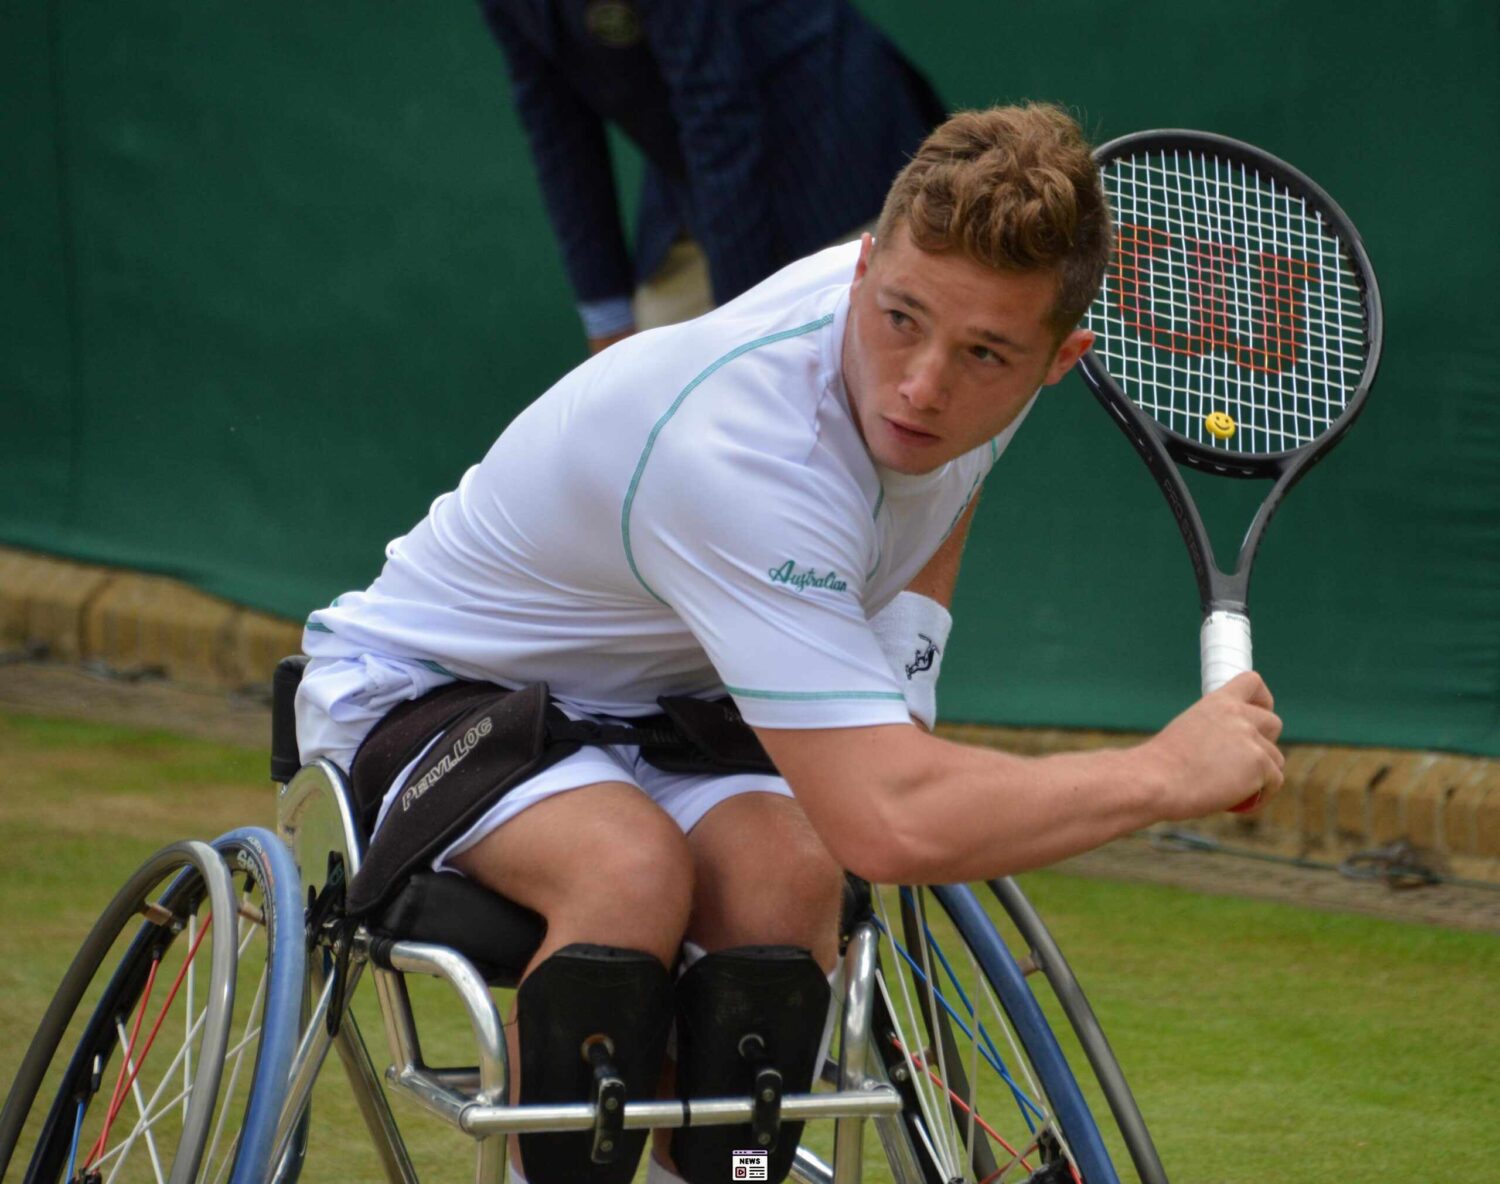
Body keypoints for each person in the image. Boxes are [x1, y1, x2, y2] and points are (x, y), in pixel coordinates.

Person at [296, 103, 1285, 1184]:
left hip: (673, 706)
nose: (924, 384)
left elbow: (945, 488)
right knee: (629, 869)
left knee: (786, 878)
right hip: (437, 695)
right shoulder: (747, 450)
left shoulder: (961, 337)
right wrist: (1162, 772)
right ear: (863, 269)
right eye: (900, 318)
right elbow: (889, 823)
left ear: (1059, 359)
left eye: (984, 353)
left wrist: (906, 675)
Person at [475, 0, 946, 352]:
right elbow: (555, 126)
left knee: (862, 405)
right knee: (650, 380)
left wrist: (740, 330)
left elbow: (718, 110)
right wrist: (607, 319)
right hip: (704, 181)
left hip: (836, 152)